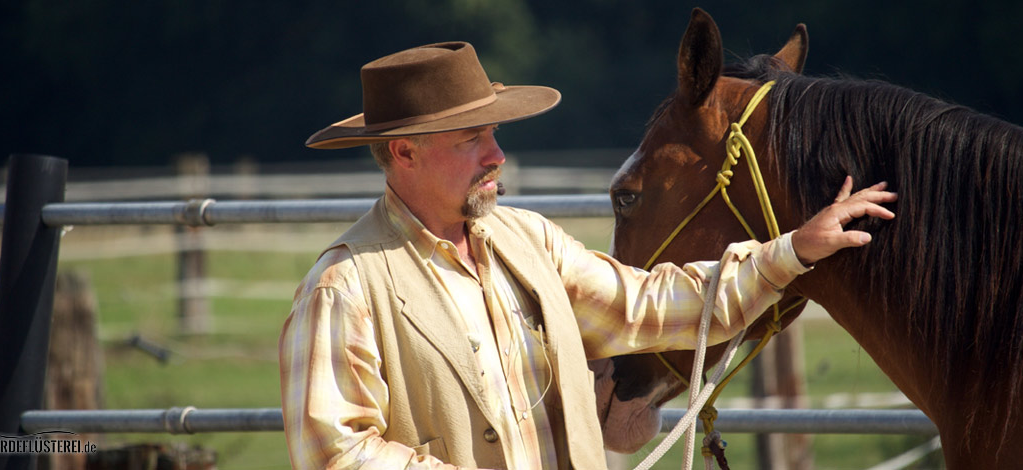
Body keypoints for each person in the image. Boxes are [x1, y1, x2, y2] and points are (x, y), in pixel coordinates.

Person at [279, 42, 896, 470]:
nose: (496, 156)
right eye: (472, 140)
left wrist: (789, 252)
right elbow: (337, 454)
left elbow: (648, 305)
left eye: (495, 134)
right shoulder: (343, 287)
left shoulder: (529, 240)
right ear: (405, 154)